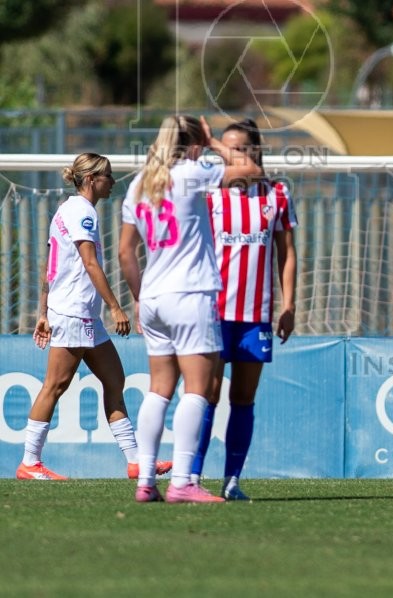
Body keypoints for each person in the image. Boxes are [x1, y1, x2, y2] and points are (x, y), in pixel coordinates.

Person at [119, 115, 262, 503]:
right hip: (190, 293)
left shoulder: (138, 185)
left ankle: (146, 480)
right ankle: (183, 481)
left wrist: (138, 296)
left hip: (153, 298)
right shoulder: (193, 172)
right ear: (194, 143)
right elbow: (251, 170)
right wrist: (217, 144)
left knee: (159, 389)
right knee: (198, 389)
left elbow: (125, 252)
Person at [16, 153, 171, 481]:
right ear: (91, 180)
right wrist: (115, 306)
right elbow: (89, 263)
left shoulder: (67, 210)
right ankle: (29, 462)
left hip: (80, 314)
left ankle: (135, 462)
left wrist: (43, 311)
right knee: (55, 385)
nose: (112, 181)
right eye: (108, 176)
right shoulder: (82, 212)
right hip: (74, 312)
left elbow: (51, 264)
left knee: (115, 380)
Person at [189, 119, 298, 500]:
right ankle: (192, 479)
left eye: (243, 149)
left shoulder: (277, 193)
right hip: (214, 311)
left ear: (256, 152)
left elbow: (287, 253)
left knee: (244, 399)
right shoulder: (209, 191)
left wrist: (289, 304)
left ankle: (232, 480)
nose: (235, 156)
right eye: (227, 149)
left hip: (256, 314)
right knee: (207, 394)